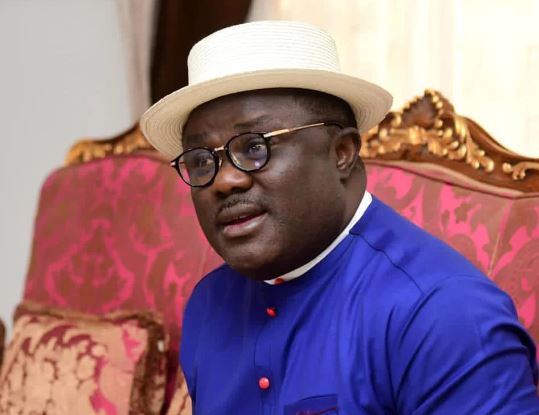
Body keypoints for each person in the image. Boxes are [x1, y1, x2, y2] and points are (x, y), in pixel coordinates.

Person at [141, 21, 539, 414]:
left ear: (342, 153)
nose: (224, 180)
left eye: (255, 147)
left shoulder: (444, 314)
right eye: (201, 160)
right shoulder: (209, 304)